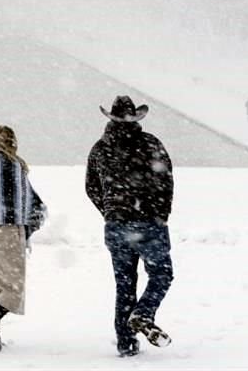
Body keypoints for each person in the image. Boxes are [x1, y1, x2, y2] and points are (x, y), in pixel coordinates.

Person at [86, 95, 174, 358]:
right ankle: (143, 314)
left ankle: (126, 343)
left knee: (124, 284)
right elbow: (165, 181)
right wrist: (160, 214)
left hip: (116, 225)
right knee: (162, 274)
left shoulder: (100, 148)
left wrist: (111, 212)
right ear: (135, 118)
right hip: (148, 222)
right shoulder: (150, 144)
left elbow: (92, 188)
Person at [0, 125, 47, 353]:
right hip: (7, 230)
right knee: (13, 286)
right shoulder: (16, 165)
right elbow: (32, 203)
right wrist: (30, 226)